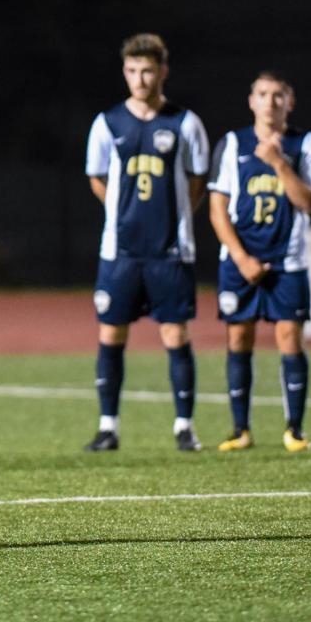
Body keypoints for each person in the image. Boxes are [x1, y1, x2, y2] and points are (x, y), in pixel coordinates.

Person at [84, 33, 210, 451]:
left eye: (147, 71)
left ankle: (184, 427)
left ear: (162, 72)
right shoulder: (107, 122)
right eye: (133, 71)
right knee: (111, 334)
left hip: (169, 251)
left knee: (174, 334)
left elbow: (197, 181)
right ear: (125, 72)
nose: (140, 79)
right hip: (119, 250)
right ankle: (108, 427)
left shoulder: (184, 123)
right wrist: (122, 212)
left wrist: (174, 220)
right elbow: (97, 179)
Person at [208, 72, 311, 452]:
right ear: (251, 100)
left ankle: (295, 429)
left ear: (290, 102)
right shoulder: (232, 143)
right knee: (239, 336)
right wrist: (241, 258)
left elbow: (309, 202)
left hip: (287, 262)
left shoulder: (304, 144)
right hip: (240, 262)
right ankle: (240, 429)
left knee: (289, 339)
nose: (270, 102)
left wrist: (278, 163)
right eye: (262, 94)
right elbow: (217, 208)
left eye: (278, 95)